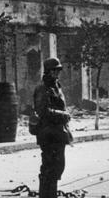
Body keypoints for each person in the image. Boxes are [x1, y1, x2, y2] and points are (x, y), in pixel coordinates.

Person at [33, 57, 73, 198]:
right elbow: (42, 111)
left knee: (58, 166)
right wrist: (63, 115)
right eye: (55, 71)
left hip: (58, 133)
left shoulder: (56, 86)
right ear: (48, 72)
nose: (57, 73)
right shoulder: (42, 88)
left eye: (58, 71)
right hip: (48, 133)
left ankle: (51, 195)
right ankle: (47, 197)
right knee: (49, 167)